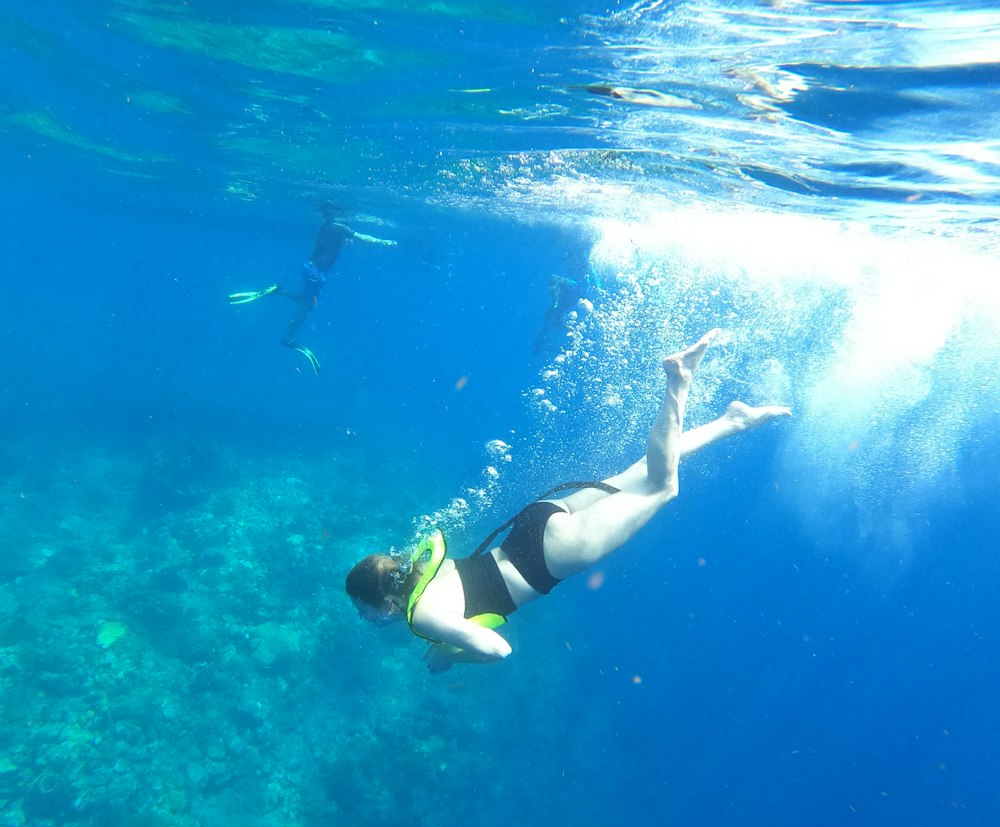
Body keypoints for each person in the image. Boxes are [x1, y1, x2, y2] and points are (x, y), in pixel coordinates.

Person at [346, 329, 790, 671]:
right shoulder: (421, 568)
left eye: (361, 609)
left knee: (662, 486)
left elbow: (498, 649)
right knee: (640, 472)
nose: (363, 619)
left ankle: (679, 380)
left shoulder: (420, 615)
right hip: (535, 523)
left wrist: (450, 655)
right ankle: (733, 421)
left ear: (384, 600)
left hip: (551, 556)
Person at [228, 202, 396, 373]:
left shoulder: (327, 226)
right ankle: (287, 338)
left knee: (306, 300)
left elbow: (330, 245)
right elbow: (361, 237)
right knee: (307, 304)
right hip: (316, 272)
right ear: (336, 212)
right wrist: (383, 242)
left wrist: (344, 242)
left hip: (311, 268)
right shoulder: (340, 226)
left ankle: (278, 291)